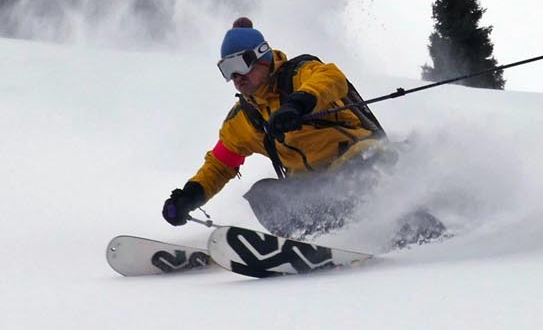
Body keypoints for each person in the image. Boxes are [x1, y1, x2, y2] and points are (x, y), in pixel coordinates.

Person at [161, 19, 396, 241]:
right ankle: (317, 239)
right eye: (227, 70)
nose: (236, 77)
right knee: (263, 195)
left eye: (240, 64)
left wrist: (298, 104)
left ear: (263, 57)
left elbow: (332, 77)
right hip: (313, 186)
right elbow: (220, 164)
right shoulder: (244, 118)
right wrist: (189, 197)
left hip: (357, 159)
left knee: (360, 169)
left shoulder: (298, 75)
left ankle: (381, 224)